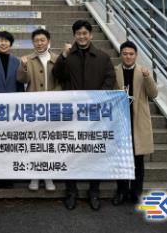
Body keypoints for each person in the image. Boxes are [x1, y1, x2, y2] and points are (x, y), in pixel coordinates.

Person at [53, 19, 116, 211]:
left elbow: (109, 79)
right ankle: (71, 191)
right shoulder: (67, 56)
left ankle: (94, 191)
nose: (82, 36)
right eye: (78, 33)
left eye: (85, 33)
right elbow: (57, 75)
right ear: (74, 36)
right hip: (72, 114)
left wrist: (96, 100)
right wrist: (63, 56)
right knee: (71, 152)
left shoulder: (103, 57)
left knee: (95, 153)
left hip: (95, 113)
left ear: (91, 35)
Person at [112, 40, 158, 206]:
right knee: (121, 159)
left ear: (136, 55)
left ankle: (136, 193)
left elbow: (153, 94)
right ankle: (122, 192)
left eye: (131, 54)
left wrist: (147, 77)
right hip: (120, 121)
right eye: (125, 53)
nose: (128, 56)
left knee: (138, 161)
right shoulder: (115, 71)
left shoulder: (143, 72)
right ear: (120, 55)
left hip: (138, 121)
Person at [17, 28, 59, 192]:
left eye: (42, 40)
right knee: (35, 142)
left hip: (53, 107)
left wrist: (53, 96)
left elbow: (62, 81)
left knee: (49, 143)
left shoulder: (57, 59)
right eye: (36, 41)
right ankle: (34, 175)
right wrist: (23, 67)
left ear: (48, 41)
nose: (39, 43)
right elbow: (21, 79)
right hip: (34, 108)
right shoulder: (28, 59)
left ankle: (49, 176)